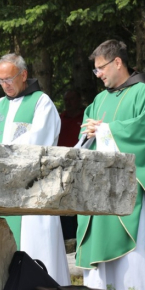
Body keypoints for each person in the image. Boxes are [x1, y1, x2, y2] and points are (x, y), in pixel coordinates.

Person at [76, 40, 145, 290]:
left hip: (130, 187)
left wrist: (106, 129)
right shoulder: (100, 99)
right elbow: (87, 133)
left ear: (117, 62)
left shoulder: (143, 94)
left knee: (134, 251)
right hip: (100, 189)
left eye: (101, 69)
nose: (99, 76)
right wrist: (94, 132)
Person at [0, 53, 70, 286]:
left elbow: (39, 140)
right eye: (0, 81)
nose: (5, 85)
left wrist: (1, 153)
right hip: (1, 193)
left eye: (9, 79)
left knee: (35, 250)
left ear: (24, 75)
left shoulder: (41, 102)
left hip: (31, 192)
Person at [57, 89, 85, 240]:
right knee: (65, 204)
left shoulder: (85, 117)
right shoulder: (61, 119)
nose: (68, 103)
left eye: (71, 99)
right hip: (64, 168)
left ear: (79, 99)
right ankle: (68, 238)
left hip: (82, 167)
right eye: (66, 100)